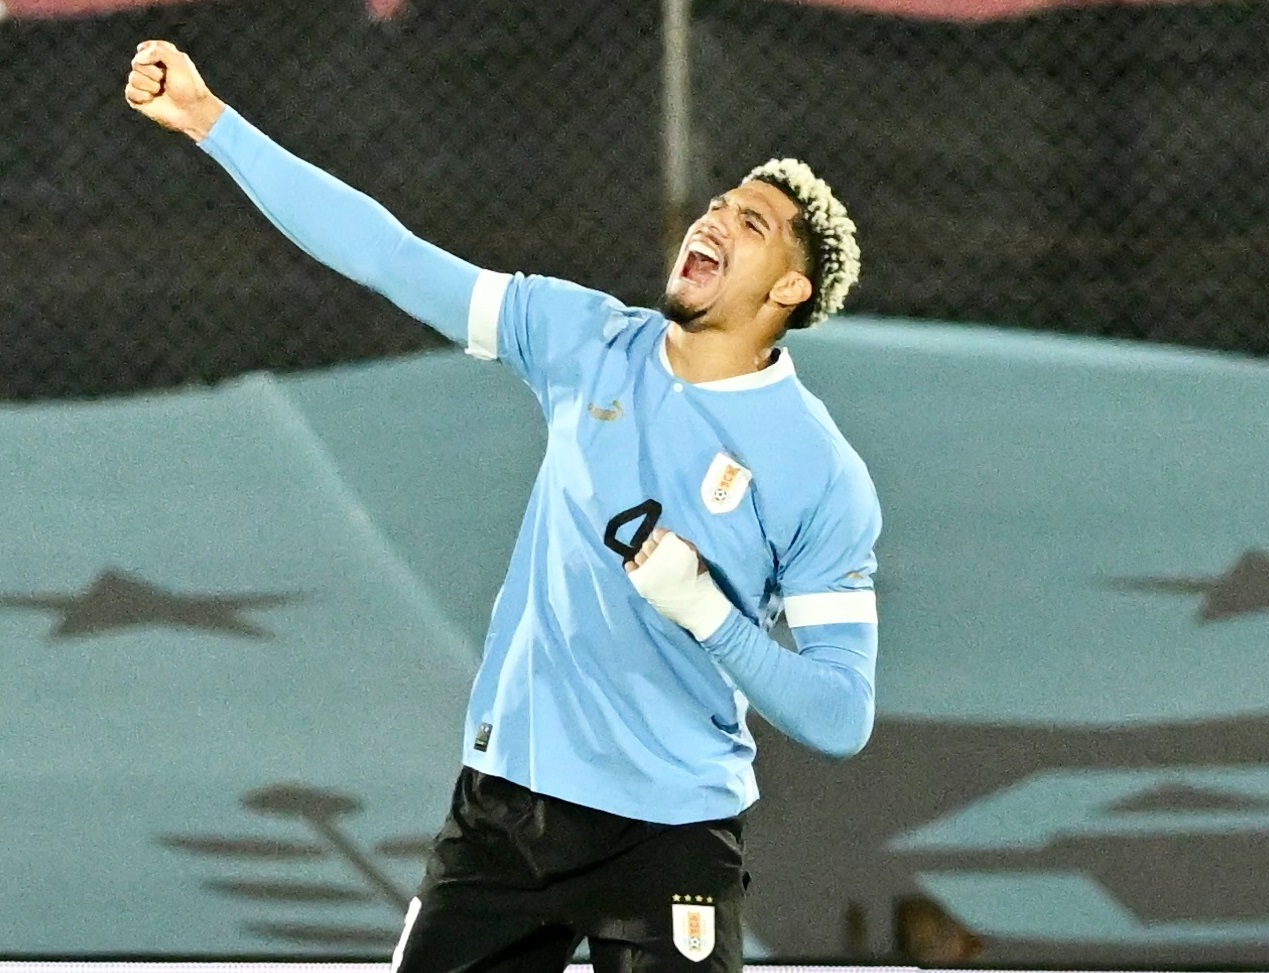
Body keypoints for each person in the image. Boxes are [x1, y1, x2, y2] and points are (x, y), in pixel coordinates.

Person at [125, 40, 882, 973]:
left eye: (752, 223)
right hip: (506, 808)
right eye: (718, 203)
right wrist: (212, 123)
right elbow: (389, 256)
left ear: (788, 289)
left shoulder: (818, 471)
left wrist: (709, 615)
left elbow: (841, 714)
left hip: (671, 833)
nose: (715, 219)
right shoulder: (582, 339)